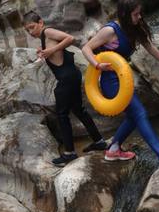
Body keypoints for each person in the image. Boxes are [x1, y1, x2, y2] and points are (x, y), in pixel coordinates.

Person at [82, 0, 159, 163]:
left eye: (140, 13)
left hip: (124, 79)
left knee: (133, 116)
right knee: (139, 112)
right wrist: (97, 65)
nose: (139, 17)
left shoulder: (134, 27)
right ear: (125, 14)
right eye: (136, 14)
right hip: (110, 82)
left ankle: (113, 150)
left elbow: (150, 47)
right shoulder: (110, 31)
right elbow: (86, 48)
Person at [23, 11, 107, 166]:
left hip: (67, 79)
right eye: (27, 30)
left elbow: (70, 38)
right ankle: (99, 141)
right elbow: (57, 51)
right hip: (72, 75)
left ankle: (69, 153)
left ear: (40, 22)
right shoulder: (44, 38)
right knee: (79, 110)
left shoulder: (47, 31)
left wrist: (50, 51)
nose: (31, 32)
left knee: (62, 115)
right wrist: (46, 52)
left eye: (32, 27)